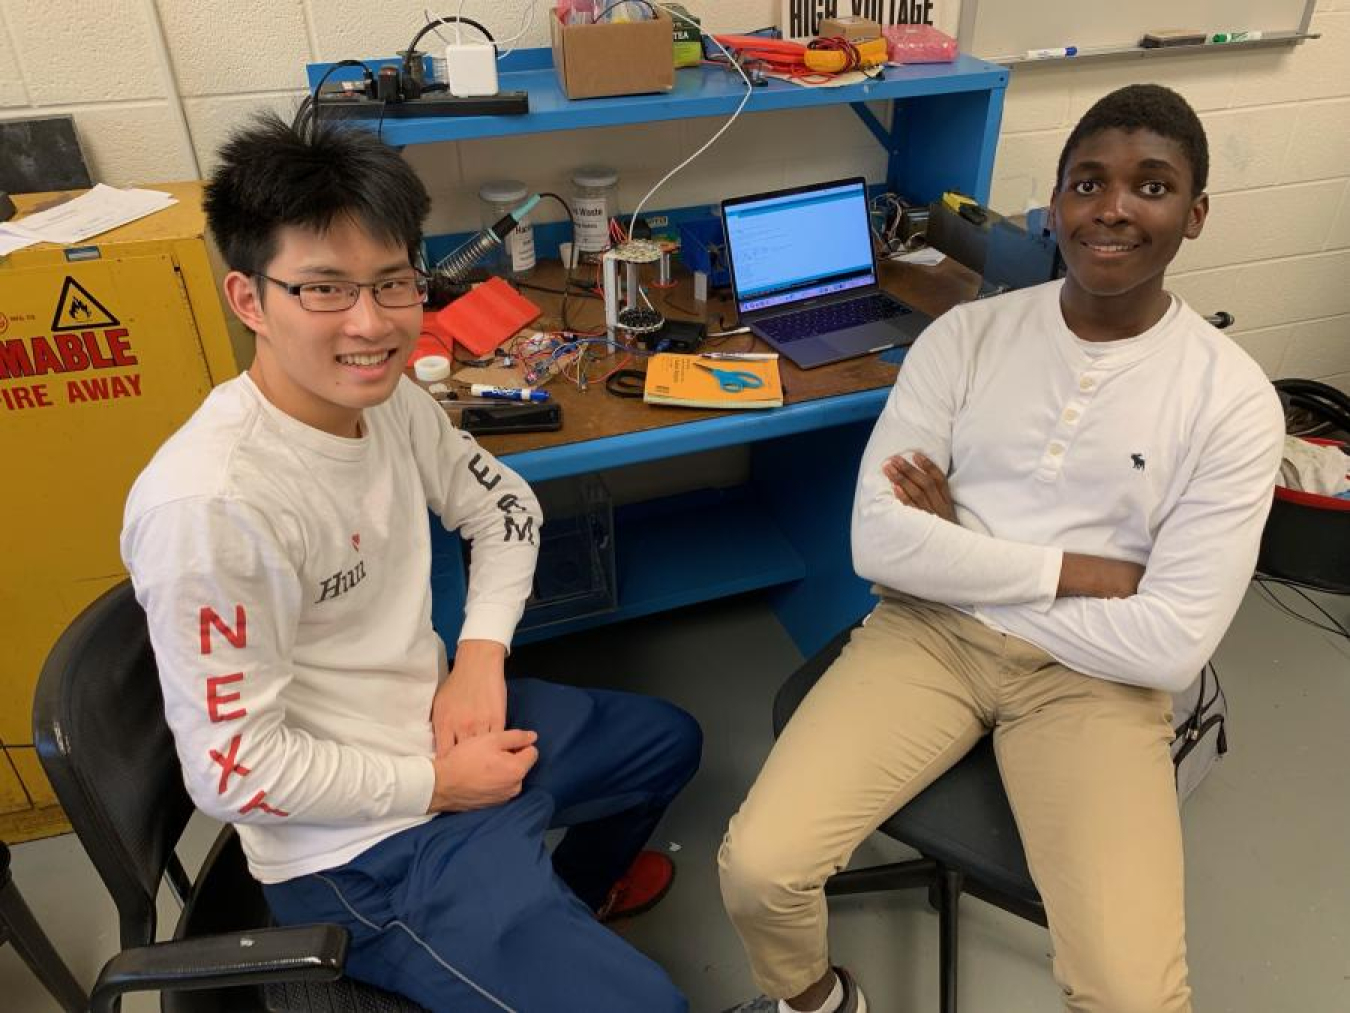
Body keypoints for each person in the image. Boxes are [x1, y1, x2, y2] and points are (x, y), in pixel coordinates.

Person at [717, 84, 1285, 1013]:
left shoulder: (1232, 401)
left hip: (1095, 684)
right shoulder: (964, 337)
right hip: (928, 640)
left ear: (1196, 214)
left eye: (1152, 185)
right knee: (758, 868)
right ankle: (816, 1001)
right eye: (1088, 182)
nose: (1113, 207)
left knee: (1135, 996)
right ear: (1055, 204)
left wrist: (958, 549)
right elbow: (876, 540)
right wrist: (1081, 574)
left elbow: (1172, 644)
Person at [121, 112, 701, 1013]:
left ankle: (568, 913)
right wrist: (436, 783)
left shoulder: (387, 401)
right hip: (358, 850)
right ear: (249, 300)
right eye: (324, 289)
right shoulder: (214, 508)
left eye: (393, 283)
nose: (372, 323)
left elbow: (504, 506)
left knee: (667, 743)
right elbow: (232, 770)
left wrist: (478, 659)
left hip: (440, 722)